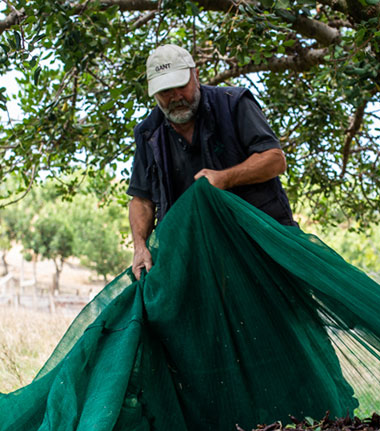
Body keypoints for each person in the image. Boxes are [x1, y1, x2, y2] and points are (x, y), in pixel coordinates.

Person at [127, 44, 297, 278]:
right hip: (194, 257)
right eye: (165, 91)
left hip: (260, 242)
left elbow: (275, 160)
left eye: (181, 86)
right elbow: (141, 200)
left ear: (196, 76)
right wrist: (140, 247)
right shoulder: (148, 132)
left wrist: (225, 178)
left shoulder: (234, 103)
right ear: (153, 92)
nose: (176, 97)